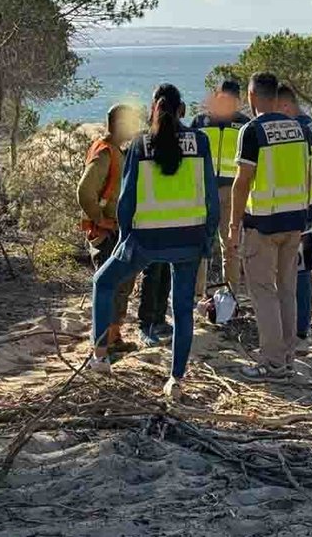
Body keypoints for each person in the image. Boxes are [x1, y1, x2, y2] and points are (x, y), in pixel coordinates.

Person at [91, 83, 219, 400]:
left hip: (146, 240)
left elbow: (126, 201)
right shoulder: (200, 142)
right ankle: (176, 379)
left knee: (102, 283)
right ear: (182, 111)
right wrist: (208, 240)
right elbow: (211, 198)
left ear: (153, 109)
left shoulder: (139, 144)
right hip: (189, 239)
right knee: (183, 309)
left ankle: (99, 358)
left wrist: (125, 238)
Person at [228, 72, 310, 381]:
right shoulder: (299, 129)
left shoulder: (252, 131)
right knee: (287, 290)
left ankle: (273, 363)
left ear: (251, 97)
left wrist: (234, 227)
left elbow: (242, 182)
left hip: (263, 224)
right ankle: (286, 358)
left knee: (263, 293)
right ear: (276, 97)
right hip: (294, 222)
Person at [77, 104, 138, 356]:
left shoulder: (115, 151)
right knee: (111, 287)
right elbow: (84, 190)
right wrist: (99, 219)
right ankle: (105, 343)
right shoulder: (105, 153)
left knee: (121, 284)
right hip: (107, 234)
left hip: (117, 230)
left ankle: (113, 337)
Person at [276, 84, 312, 355]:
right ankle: (300, 330)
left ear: (285, 106)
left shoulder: (299, 130)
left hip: (296, 210)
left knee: (300, 271)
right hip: (306, 208)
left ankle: (298, 331)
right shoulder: (311, 127)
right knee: (301, 270)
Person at [190, 80, 251, 297]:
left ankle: (230, 295)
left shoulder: (246, 125)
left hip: (232, 193)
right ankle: (198, 294)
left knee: (231, 246)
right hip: (204, 192)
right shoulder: (200, 121)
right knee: (201, 245)